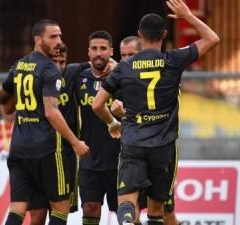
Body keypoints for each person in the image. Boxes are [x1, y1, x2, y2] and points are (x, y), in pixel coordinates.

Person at [92, 0, 219, 224]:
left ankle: (128, 221)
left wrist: (113, 123)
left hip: (133, 142)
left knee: (127, 202)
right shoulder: (173, 60)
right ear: (164, 34)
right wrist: (187, 16)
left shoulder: (124, 67)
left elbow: (97, 105)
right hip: (163, 146)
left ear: (139, 34)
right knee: (157, 210)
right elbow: (212, 39)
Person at [0, 19, 90, 225]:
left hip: (19, 149)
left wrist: (16, 104)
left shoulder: (19, 65)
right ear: (38, 40)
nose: (59, 41)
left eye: (60, 36)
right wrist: (75, 142)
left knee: (18, 209)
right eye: (53, 36)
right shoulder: (49, 69)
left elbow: (0, 100)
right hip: (47, 150)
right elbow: (51, 112)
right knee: (60, 207)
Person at [114, 36, 180, 225]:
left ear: (141, 54)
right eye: (123, 55)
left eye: (131, 55)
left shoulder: (164, 79)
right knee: (131, 210)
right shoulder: (121, 80)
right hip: (133, 152)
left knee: (166, 214)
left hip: (160, 148)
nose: (126, 59)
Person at [26, 43, 91, 225]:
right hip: (39, 152)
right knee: (37, 216)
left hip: (65, 155)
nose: (58, 67)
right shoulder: (35, 76)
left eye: (62, 62)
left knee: (61, 211)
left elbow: (98, 62)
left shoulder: (72, 73)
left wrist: (114, 65)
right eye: (53, 61)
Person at [73, 31, 121, 225]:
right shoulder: (79, 78)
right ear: (88, 53)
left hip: (119, 158)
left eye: (103, 48)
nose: (98, 53)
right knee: (90, 208)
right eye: (94, 48)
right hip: (89, 158)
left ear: (111, 51)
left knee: (125, 212)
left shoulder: (122, 78)